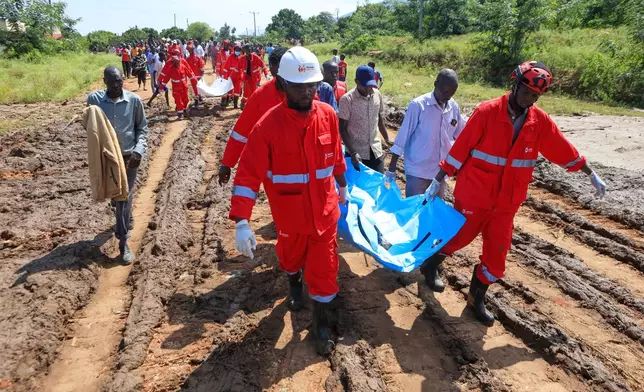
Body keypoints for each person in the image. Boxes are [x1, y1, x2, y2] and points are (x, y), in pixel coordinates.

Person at [421, 61, 608, 325]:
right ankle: (430, 264)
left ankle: (476, 300)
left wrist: (589, 172)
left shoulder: (538, 122)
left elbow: (561, 148)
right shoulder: (487, 112)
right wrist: (437, 179)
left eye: (535, 96)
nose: (529, 99)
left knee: (496, 258)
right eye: (526, 92)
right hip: (475, 195)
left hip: (506, 203)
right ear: (515, 84)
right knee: (457, 240)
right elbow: (461, 147)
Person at [230, 46, 348, 356]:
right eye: (299, 86)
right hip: (290, 217)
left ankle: (322, 328)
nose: (308, 92)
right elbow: (247, 174)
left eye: (312, 85)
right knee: (290, 259)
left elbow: (335, 156)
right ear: (282, 85)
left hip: (325, 214)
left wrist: (343, 185)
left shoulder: (328, 116)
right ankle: (294, 281)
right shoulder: (267, 126)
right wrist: (242, 220)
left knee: (325, 273)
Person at [87, 67, 148, 264]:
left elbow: (142, 129)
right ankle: (124, 215)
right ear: (104, 81)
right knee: (116, 195)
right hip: (108, 158)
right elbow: (89, 123)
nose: (116, 85)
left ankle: (123, 242)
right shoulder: (95, 101)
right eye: (112, 82)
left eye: (119, 81)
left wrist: (139, 151)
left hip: (129, 157)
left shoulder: (134, 101)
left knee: (124, 197)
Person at [386, 69, 464, 199]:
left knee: (433, 214)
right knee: (415, 212)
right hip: (418, 171)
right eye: (445, 92)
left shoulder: (453, 106)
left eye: (451, 93)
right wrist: (392, 166)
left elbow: (461, 135)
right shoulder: (419, 106)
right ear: (436, 84)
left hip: (439, 174)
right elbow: (403, 136)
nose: (448, 96)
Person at [218, 47, 289, 185]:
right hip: (274, 165)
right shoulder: (261, 96)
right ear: (273, 68)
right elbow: (241, 131)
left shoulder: (306, 94)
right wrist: (227, 163)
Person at [339, 65, 391, 173]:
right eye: (365, 86)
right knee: (359, 188)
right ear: (356, 81)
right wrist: (353, 153)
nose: (369, 89)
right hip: (356, 154)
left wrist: (387, 139)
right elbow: (342, 129)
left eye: (371, 85)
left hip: (375, 150)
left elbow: (379, 118)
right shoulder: (347, 100)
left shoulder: (377, 94)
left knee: (377, 184)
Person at [156, 48, 199, 119]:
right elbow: (164, 76)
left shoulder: (183, 63)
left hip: (184, 85)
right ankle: (180, 113)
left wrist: (195, 80)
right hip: (176, 86)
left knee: (185, 99)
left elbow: (189, 72)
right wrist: (160, 85)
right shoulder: (170, 66)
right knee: (178, 100)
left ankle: (183, 109)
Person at [240, 44, 269, 109]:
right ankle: (243, 103)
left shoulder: (256, 57)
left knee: (253, 92)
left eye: (249, 48)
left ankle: (252, 105)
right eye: (247, 49)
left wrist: (266, 74)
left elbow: (263, 65)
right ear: (244, 50)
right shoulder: (242, 58)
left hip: (254, 78)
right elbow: (238, 67)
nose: (248, 50)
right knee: (246, 92)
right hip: (246, 78)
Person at [223, 44, 244, 109]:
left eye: (239, 50)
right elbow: (226, 67)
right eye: (236, 50)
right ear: (234, 50)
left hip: (238, 77)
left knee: (237, 91)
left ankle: (235, 104)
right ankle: (227, 101)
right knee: (229, 89)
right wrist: (224, 75)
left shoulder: (241, 57)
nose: (237, 51)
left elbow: (244, 68)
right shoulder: (230, 57)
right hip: (231, 76)